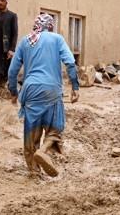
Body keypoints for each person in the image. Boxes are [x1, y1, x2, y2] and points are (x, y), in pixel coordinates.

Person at [8, 13, 80, 177]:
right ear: (50, 26)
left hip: (30, 90)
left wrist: (13, 92)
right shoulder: (57, 39)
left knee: (31, 131)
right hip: (52, 89)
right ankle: (44, 150)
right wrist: (75, 87)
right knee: (55, 129)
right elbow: (70, 62)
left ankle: (34, 171)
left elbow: (12, 71)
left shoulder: (26, 41)